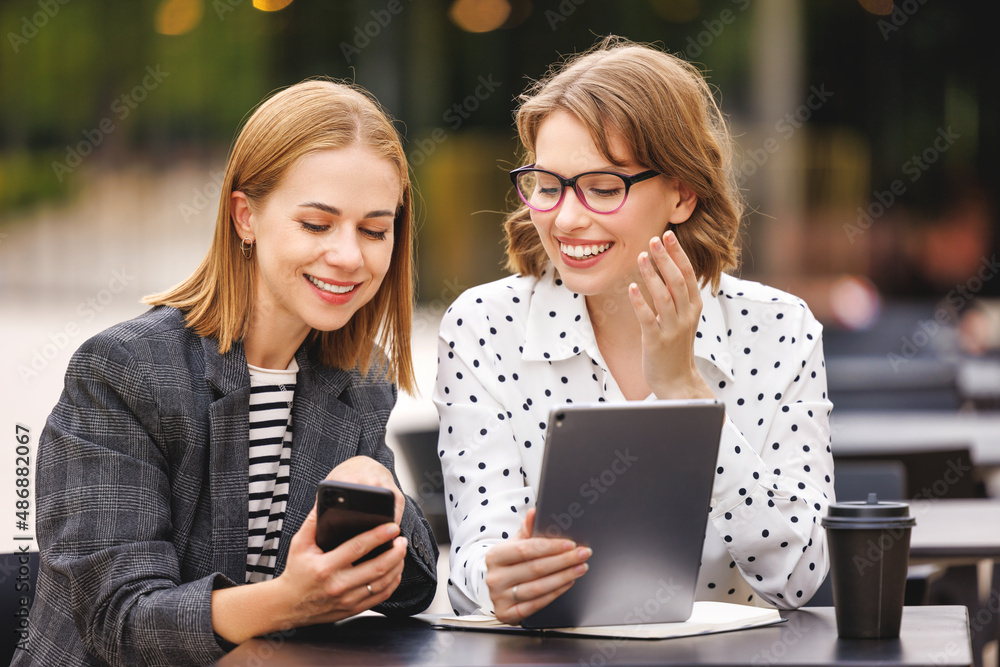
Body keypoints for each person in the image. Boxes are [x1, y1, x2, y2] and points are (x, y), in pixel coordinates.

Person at [16, 79, 438, 666]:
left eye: (374, 229)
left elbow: (412, 590)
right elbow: (122, 623)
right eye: (317, 225)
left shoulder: (358, 377)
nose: (349, 256)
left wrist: (381, 489)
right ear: (246, 217)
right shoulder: (125, 371)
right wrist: (287, 601)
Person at [433, 36, 835, 624]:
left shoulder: (781, 329)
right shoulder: (483, 327)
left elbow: (802, 577)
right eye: (548, 186)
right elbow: (474, 571)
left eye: (603, 187)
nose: (567, 218)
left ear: (682, 193)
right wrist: (500, 576)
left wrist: (686, 392)